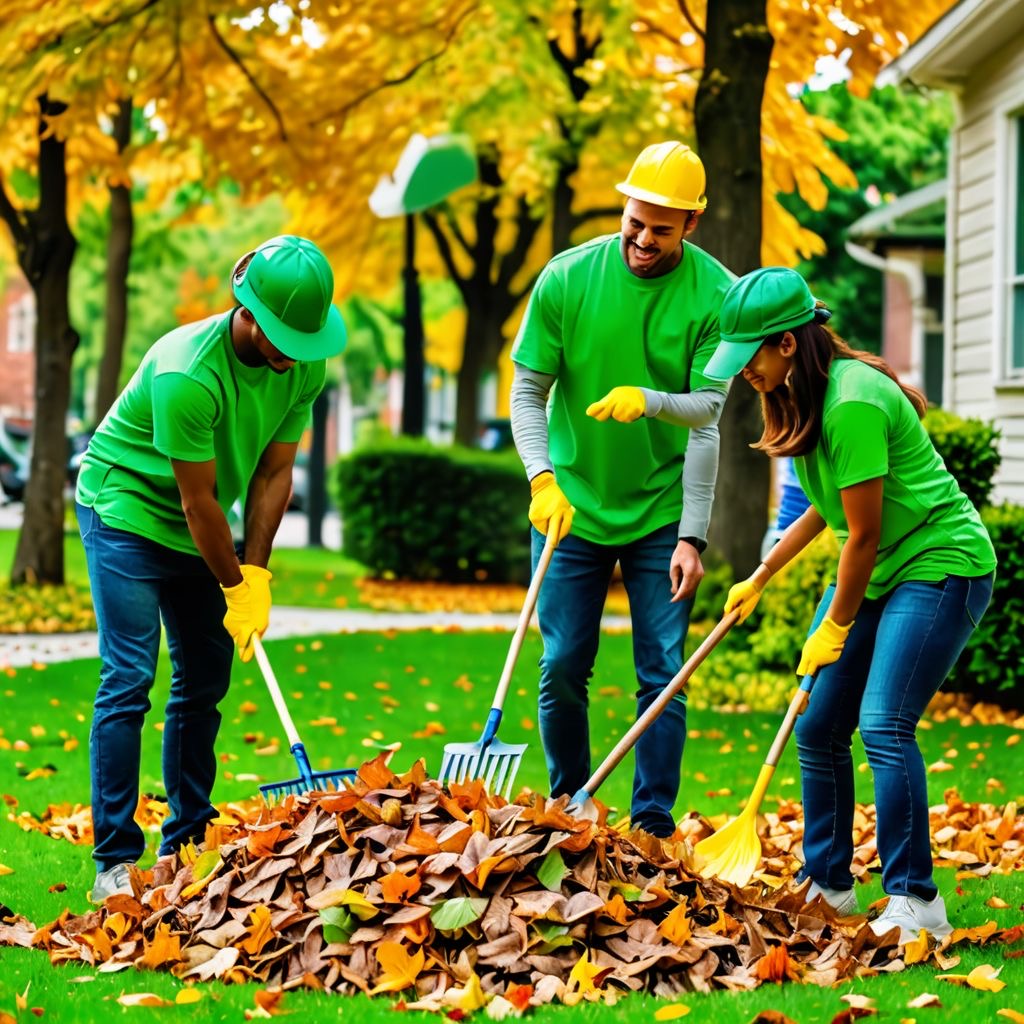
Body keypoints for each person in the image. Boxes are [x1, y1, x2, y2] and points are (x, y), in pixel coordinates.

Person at [704, 266, 996, 942]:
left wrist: (834, 624)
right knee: (816, 725)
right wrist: (761, 575)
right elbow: (823, 507)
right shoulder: (800, 393)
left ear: (785, 343)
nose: (741, 370)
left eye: (748, 354)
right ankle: (829, 882)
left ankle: (916, 899)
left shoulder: (852, 403)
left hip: (938, 562)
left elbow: (861, 535)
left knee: (884, 724)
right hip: (881, 564)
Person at [75, 235, 347, 902]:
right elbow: (197, 504)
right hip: (127, 510)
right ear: (246, 311)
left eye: (303, 341)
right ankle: (115, 861)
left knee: (204, 680)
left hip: (202, 524)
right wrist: (231, 582)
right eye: (283, 338)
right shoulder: (187, 373)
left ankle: (188, 841)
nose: (293, 355)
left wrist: (256, 575)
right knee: (129, 677)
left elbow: (274, 474)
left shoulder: (303, 364)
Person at [510, 141, 734, 838]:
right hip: (570, 505)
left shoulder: (716, 295)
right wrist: (542, 479)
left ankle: (652, 822)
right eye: (633, 221)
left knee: (662, 670)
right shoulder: (567, 278)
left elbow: (708, 415)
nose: (641, 239)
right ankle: (569, 806)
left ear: (691, 223)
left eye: (660, 229)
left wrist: (692, 536)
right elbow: (528, 391)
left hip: (661, 510)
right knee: (561, 663)